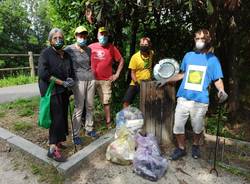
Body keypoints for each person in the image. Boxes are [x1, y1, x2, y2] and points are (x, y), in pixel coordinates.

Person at [157, 29, 228, 160]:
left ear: (208, 40)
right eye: (197, 38)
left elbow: (217, 79)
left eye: (202, 39)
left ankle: (195, 145)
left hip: (200, 101)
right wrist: (166, 79)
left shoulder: (213, 60)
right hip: (183, 98)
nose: (199, 41)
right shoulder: (188, 56)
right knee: (177, 126)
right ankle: (181, 148)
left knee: (197, 127)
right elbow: (183, 74)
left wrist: (221, 91)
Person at [38, 28, 75, 162]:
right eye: (55, 38)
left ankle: (59, 141)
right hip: (51, 90)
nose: (58, 40)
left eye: (60, 38)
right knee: (56, 118)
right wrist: (61, 82)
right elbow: (43, 74)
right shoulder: (45, 54)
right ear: (50, 40)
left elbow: (71, 71)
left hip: (63, 90)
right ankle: (52, 148)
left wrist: (71, 79)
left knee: (62, 116)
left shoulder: (66, 55)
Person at [65, 26, 96, 144]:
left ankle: (89, 129)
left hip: (90, 79)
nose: (82, 37)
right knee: (79, 107)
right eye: (80, 35)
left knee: (90, 106)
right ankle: (75, 134)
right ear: (75, 36)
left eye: (84, 35)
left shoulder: (89, 49)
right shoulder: (69, 49)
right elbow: (63, 62)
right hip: (78, 80)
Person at [89, 27, 124, 128]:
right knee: (89, 102)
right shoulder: (91, 47)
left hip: (106, 80)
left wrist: (116, 74)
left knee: (106, 102)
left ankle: (108, 123)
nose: (103, 37)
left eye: (105, 35)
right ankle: (89, 124)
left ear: (107, 36)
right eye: (101, 34)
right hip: (92, 79)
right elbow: (82, 58)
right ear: (97, 36)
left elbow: (121, 60)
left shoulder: (111, 48)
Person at [123, 37, 154, 108]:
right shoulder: (135, 57)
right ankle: (125, 117)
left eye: (146, 44)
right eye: (142, 44)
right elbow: (132, 73)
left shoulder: (151, 53)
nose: (144, 46)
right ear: (139, 45)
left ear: (149, 45)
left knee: (148, 102)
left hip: (148, 82)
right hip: (136, 83)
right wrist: (137, 83)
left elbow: (152, 65)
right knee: (126, 101)